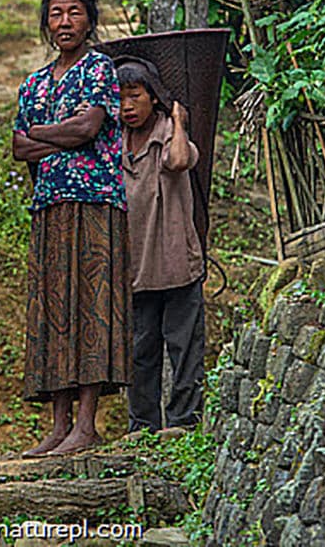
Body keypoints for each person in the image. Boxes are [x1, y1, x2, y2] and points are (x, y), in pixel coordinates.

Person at [12, 0, 129, 457]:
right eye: (56, 14)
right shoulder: (34, 82)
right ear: (46, 23)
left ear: (90, 21)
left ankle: (86, 424)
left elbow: (90, 127)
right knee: (55, 308)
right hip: (50, 204)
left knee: (92, 306)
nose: (64, 22)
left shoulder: (100, 68)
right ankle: (58, 427)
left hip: (97, 201)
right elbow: (20, 147)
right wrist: (65, 134)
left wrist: (47, 132)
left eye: (74, 13)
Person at [117, 58, 205, 436]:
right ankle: (142, 426)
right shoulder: (114, 139)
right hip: (133, 267)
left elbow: (180, 160)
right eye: (119, 98)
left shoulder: (169, 131)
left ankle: (184, 423)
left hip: (174, 261)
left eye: (134, 96)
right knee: (140, 352)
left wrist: (180, 120)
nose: (126, 106)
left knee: (183, 348)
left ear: (153, 98)